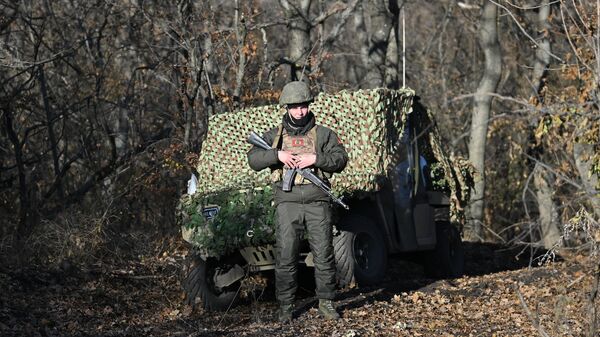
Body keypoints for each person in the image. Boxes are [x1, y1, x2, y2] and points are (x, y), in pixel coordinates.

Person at [247, 81, 348, 322]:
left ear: (309, 106)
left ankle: (326, 302)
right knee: (285, 256)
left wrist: (315, 159)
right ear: (286, 108)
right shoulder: (275, 136)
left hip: (317, 202)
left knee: (323, 254)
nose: (299, 112)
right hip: (287, 203)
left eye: (303, 106)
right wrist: (277, 154)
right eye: (294, 107)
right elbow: (253, 159)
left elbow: (340, 160)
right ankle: (285, 306)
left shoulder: (324, 134)